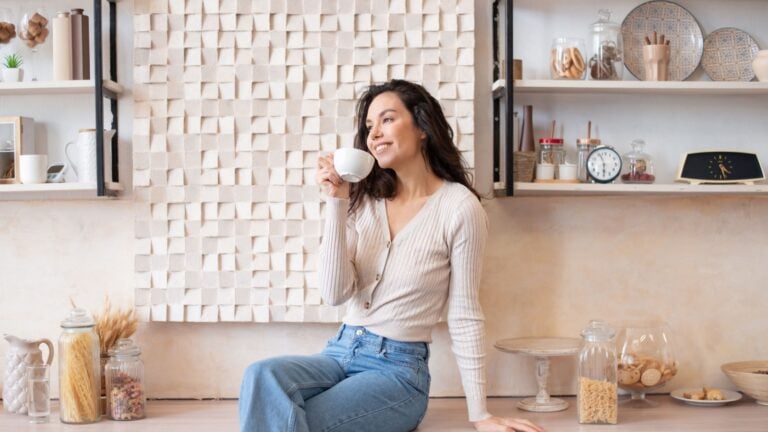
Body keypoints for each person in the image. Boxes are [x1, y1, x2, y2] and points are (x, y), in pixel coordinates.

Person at [239, 79, 544, 432]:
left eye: (387, 119)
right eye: (369, 126)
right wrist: (337, 201)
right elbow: (334, 293)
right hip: (339, 353)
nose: (374, 135)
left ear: (422, 127)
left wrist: (480, 415)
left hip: (398, 372)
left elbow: (465, 313)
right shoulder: (364, 201)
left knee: (301, 418)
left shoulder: (459, 207)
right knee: (260, 377)